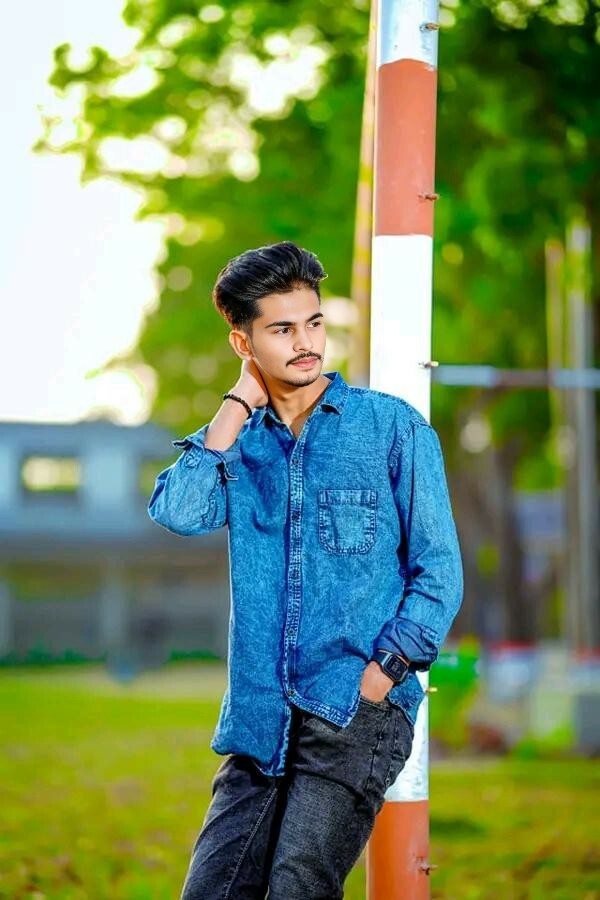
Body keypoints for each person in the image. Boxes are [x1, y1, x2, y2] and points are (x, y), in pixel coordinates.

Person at [147, 241, 463, 899]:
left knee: (298, 886)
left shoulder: (390, 428)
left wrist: (383, 674)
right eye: (282, 329)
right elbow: (179, 510)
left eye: (313, 322)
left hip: (353, 707)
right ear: (244, 343)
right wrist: (237, 403)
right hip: (260, 719)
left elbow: (438, 572)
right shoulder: (240, 446)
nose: (305, 342)